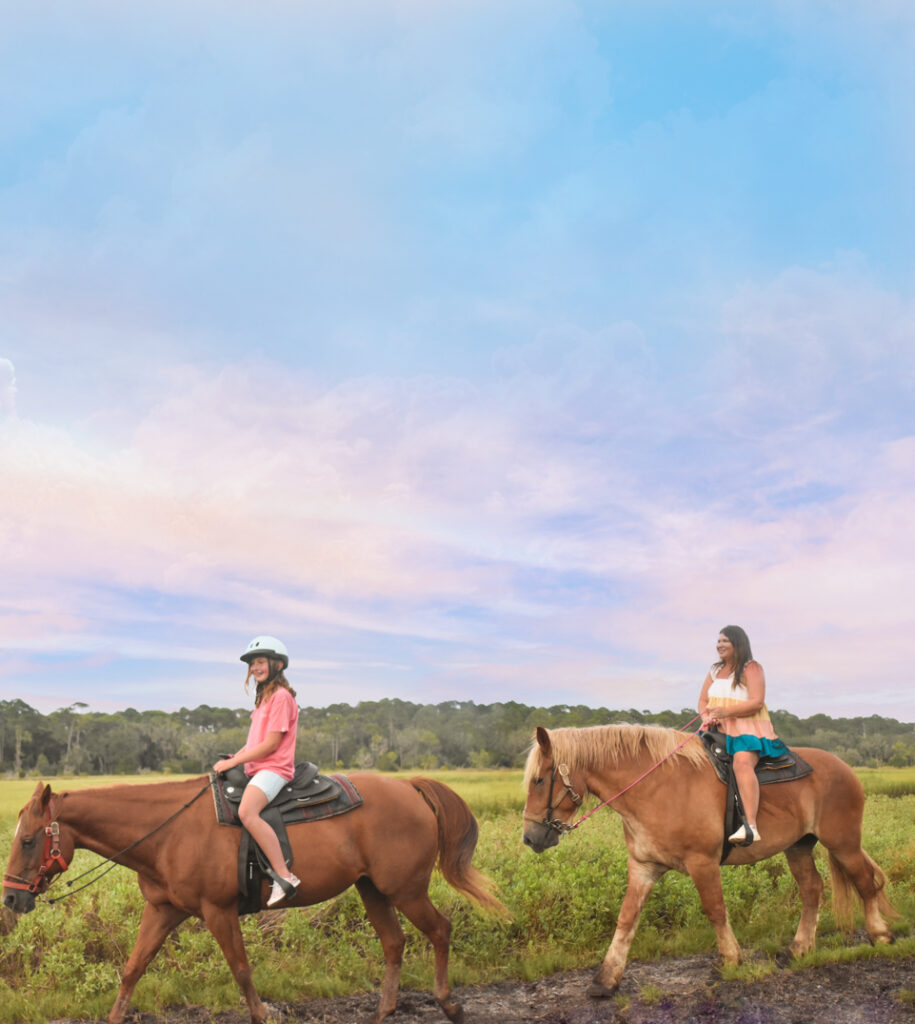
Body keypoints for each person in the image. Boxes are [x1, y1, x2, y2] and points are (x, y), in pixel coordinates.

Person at [213, 635, 301, 907]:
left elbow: (272, 743)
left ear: (276, 664)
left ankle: (285, 876)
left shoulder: (282, 698)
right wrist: (236, 757)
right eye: (252, 664)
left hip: (274, 769)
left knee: (247, 812)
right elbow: (254, 742)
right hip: (257, 767)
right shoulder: (265, 698)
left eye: (260, 662)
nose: (255, 668)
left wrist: (232, 763)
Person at [697, 625, 789, 844]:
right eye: (718, 641)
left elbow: (757, 702)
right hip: (716, 729)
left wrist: (725, 712)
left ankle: (750, 826)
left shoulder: (752, 668)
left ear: (737, 643)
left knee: (741, 763)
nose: (719, 645)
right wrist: (706, 717)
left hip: (747, 728)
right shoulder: (714, 670)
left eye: (724, 641)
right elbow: (702, 701)